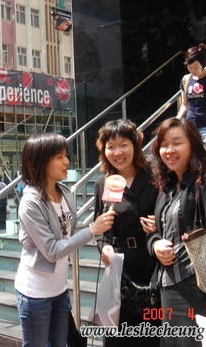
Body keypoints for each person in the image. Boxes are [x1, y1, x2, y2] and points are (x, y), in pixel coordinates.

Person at [14, 133, 111, 347]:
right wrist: (92, 231)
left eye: (66, 155)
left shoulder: (65, 192)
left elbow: (66, 234)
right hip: (35, 293)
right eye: (59, 157)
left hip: (59, 289)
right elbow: (51, 250)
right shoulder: (30, 202)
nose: (67, 162)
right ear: (41, 160)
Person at [146, 118, 206, 347]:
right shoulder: (167, 186)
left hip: (197, 289)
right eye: (164, 145)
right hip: (168, 288)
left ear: (193, 144)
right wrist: (155, 243)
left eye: (177, 142)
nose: (169, 150)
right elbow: (159, 230)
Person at [93, 119, 159, 347]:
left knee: (149, 336)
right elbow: (99, 228)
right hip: (118, 269)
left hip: (150, 266)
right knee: (116, 337)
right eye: (111, 146)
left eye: (124, 144)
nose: (117, 152)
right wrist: (104, 247)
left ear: (135, 145)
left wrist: (158, 226)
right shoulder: (104, 183)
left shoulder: (154, 177)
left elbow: (169, 216)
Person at [177, 46, 206, 161]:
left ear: (203, 64)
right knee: (190, 160)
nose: (193, 70)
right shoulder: (185, 79)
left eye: (196, 67)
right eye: (190, 67)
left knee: (205, 159)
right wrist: (177, 119)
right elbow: (185, 104)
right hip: (190, 126)